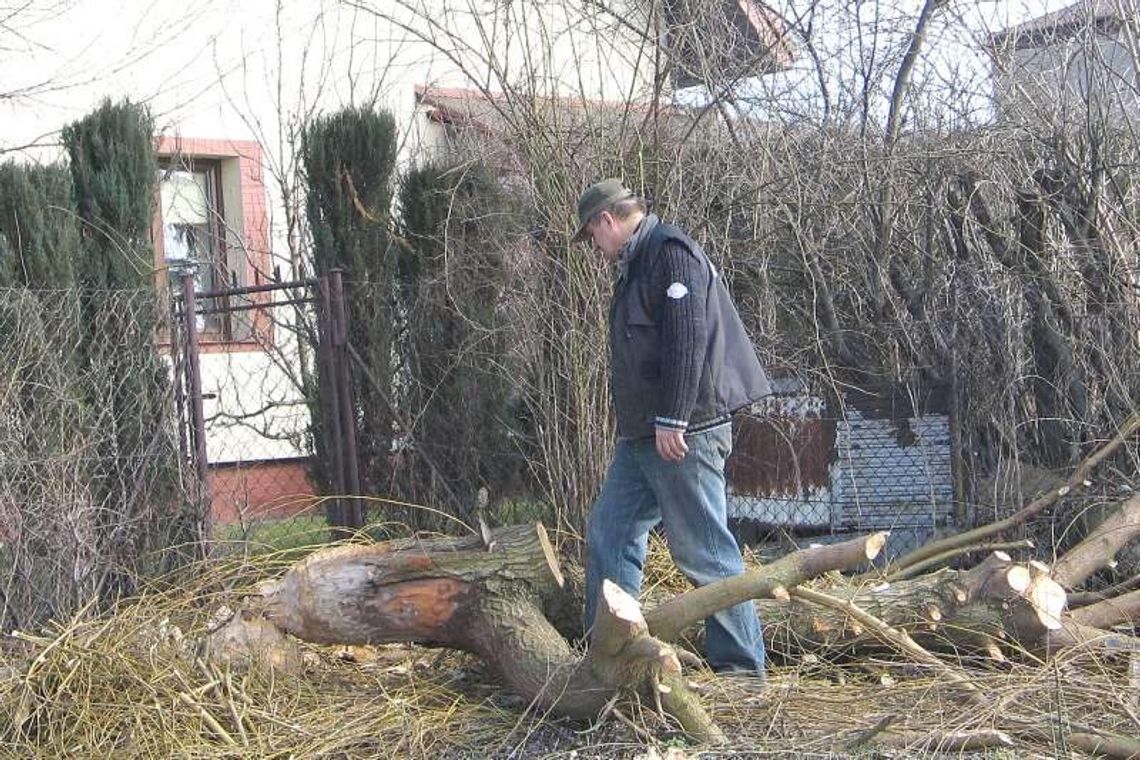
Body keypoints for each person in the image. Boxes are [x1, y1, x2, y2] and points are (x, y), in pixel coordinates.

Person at [573, 178, 772, 675]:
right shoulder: (637, 262)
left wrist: (674, 417)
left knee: (705, 551)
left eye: (592, 236)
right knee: (611, 532)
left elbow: (688, 338)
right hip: (643, 437)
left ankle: (743, 672)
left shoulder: (670, 253)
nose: (595, 248)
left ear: (607, 220)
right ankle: (610, 657)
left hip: (684, 432)